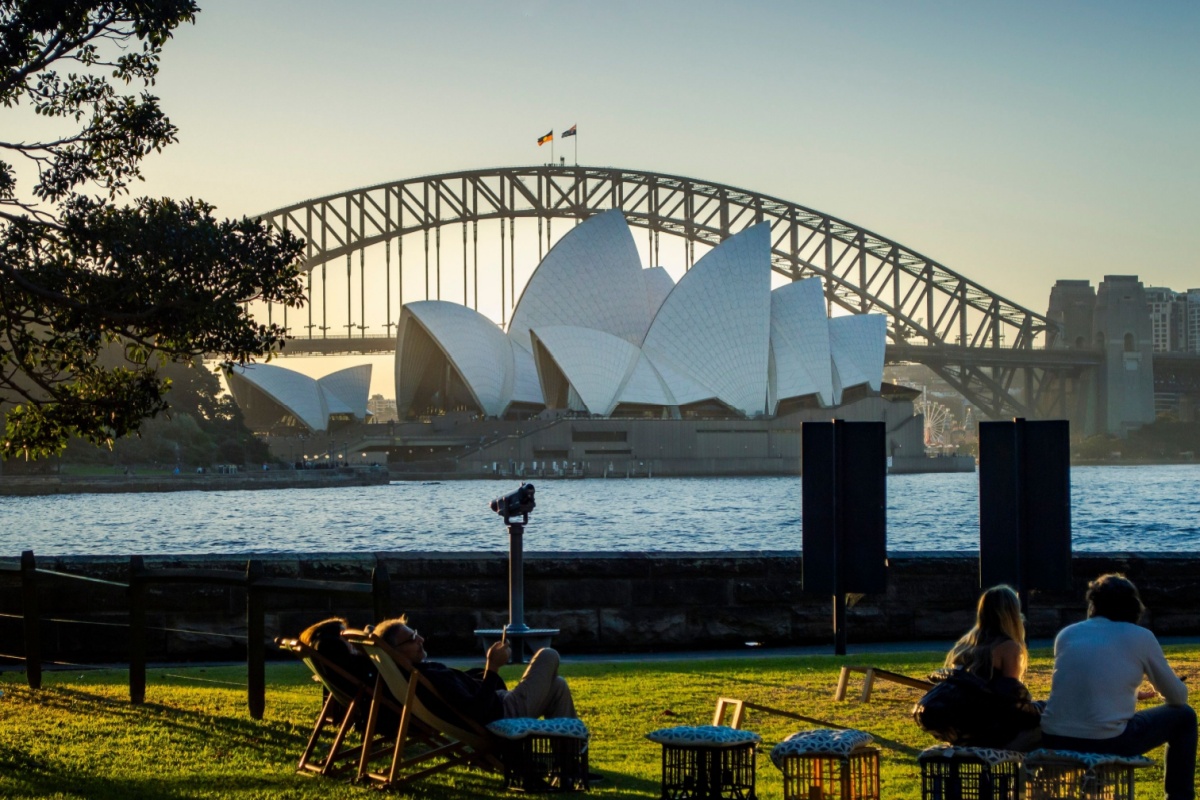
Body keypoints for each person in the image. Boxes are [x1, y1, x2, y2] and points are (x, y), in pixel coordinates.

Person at [1041, 574, 1195, 800]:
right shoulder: (1140, 636)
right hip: (1106, 740)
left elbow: (1087, 682)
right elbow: (1178, 698)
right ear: (1134, 606)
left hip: (1055, 737)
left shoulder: (1068, 634)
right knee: (1184, 717)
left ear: (1093, 604)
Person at [373, 616, 577, 724]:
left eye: (416, 634)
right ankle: (571, 760)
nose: (421, 640)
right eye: (412, 639)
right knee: (548, 655)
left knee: (559, 685)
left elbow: (466, 695)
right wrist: (492, 667)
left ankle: (570, 763)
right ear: (396, 653)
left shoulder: (418, 674)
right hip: (503, 713)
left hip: (499, 702)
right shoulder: (427, 677)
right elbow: (476, 712)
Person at [939, 584, 1043, 749]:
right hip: (992, 733)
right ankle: (1032, 773)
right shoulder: (1009, 648)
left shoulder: (965, 645)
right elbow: (1011, 700)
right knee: (1049, 726)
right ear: (1011, 615)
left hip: (964, 729)